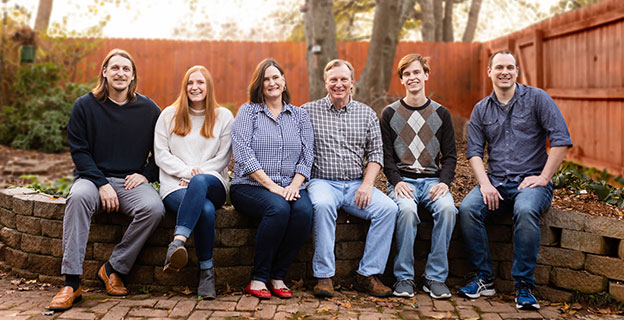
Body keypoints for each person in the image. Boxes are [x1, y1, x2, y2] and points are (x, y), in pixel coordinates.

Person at [49, 49, 165, 311]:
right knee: (77, 198)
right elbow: (79, 151)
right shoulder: (85, 106)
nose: (120, 73)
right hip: (91, 180)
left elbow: (162, 153)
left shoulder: (149, 110)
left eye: (126, 69)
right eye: (115, 68)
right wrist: (101, 184)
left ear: (133, 75)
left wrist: (145, 175)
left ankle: (113, 268)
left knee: (154, 208)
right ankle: (71, 282)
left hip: (128, 183)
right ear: (104, 72)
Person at [458, 49, 572, 310]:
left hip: (530, 183)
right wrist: (484, 184)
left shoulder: (537, 99)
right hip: (496, 182)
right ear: (490, 72)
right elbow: (474, 152)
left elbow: (561, 139)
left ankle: (524, 286)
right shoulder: (481, 110)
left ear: (517, 72)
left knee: (526, 209)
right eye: (499, 67)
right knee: (467, 209)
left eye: (510, 67)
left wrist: (544, 177)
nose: (504, 72)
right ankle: (483, 278)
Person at [302, 59, 398, 298]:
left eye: (343, 79)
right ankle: (324, 276)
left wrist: (367, 185)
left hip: (356, 183)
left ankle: (367, 275)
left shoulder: (366, 114)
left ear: (352, 82)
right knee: (322, 205)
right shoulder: (307, 112)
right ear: (325, 82)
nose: (338, 84)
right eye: (333, 79)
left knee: (388, 209)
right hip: (322, 182)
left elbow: (376, 154)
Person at [230, 59, 314, 299]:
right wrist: (273, 187)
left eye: (276, 77)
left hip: (290, 184)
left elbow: (307, 156)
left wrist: (294, 185)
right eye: (266, 79)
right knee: (278, 209)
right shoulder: (249, 112)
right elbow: (243, 154)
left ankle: (278, 275)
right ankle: (258, 278)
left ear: (284, 80)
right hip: (250, 186)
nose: (272, 83)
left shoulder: (299, 115)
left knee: (304, 212)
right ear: (259, 84)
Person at [380, 54, 457, 299]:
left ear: (426, 75)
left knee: (448, 210)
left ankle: (434, 278)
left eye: (416, 72)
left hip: (433, 181)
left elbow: (451, 156)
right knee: (406, 211)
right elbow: (387, 158)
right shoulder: (390, 113)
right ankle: (403, 277)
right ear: (402, 80)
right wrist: (397, 181)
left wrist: (444, 183)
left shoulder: (441, 113)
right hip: (403, 181)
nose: (412, 77)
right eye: (407, 74)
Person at [154, 65, 233, 299]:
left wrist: (196, 176)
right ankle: (207, 273)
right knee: (206, 210)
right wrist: (187, 173)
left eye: (200, 83)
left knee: (201, 185)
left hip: (214, 181)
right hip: (174, 185)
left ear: (208, 86)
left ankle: (177, 243)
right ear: (184, 86)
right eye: (190, 83)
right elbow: (161, 154)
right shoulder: (168, 115)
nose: (195, 87)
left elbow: (223, 157)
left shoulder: (224, 116)